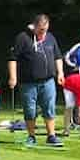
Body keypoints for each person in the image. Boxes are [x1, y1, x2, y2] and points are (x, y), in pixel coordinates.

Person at [9, 13, 66, 148]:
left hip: (48, 81)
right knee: (30, 110)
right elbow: (13, 59)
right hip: (28, 82)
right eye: (41, 30)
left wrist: (60, 73)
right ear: (34, 27)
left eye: (45, 29)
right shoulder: (23, 38)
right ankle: (31, 136)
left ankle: (51, 136)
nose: (43, 32)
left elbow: (57, 56)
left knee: (49, 108)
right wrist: (13, 77)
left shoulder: (51, 38)